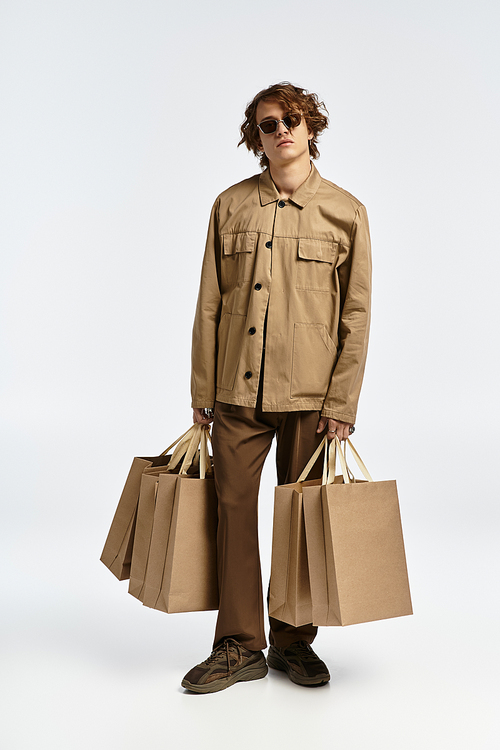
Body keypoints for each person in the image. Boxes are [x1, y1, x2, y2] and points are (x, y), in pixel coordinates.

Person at [182, 82, 372, 693]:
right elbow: (209, 304)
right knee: (232, 513)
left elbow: (356, 316)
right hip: (236, 391)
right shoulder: (229, 206)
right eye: (269, 124)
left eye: (292, 119)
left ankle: (293, 641)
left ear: (311, 126)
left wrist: (342, 402)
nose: (282, 130)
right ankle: (239, 646)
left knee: (299, 518)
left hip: (313, 400)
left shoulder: (346, 212)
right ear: (256, 138)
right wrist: (202, 389)